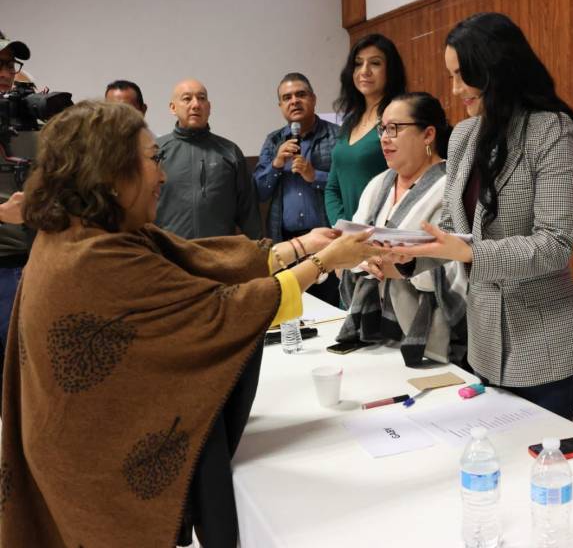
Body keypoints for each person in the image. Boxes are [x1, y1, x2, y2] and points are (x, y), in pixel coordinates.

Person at [0, 100, 379, 547]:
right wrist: (323, 262)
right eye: (152, 160)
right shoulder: (90, 257)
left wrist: (295, 249)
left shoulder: (87, 228)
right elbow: (217, 311)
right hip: (91, 466)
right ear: (109, 169)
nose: (162, 176)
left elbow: (193, 260)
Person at [390, 13, 573, 420]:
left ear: (495, 68)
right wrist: (407, 255)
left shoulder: (550, 131)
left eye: (462, 75)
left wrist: (471, 253)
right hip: (484, 340)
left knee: (538, 463)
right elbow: (454, 230)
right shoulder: (466, 135)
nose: (454, 90)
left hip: (545, 344)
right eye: (450, 76)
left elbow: (556, 244)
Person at [337, 92, 467, 366]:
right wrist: (364, 260)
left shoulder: (450, 188)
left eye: (395, 128)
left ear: (428, 134)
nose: (384, 137)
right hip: (377, 332)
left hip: (431, 339)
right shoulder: (379, 184)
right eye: (382, 128)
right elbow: (347, 251)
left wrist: (394, 265)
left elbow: (452, 267)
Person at [254, 72, 341, 305]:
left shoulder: (337, 136)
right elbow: (259, 192)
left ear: (313, 99)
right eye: (287, 97)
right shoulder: (273, 142)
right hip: (287, 244)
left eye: (301, 95)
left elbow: (347, 186)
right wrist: (276, 164)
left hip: (327, 240)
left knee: (332, 307)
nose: (294, 101)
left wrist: (315, 176)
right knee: (295, 310)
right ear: (281, 105)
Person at [156, 78, 263, 239]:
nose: (196, 104)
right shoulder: (156, 152)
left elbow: (248, 212)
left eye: (201, 98)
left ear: (209, 107)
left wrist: (258, 252)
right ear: (173, 107)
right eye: (187, 99)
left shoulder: (230, 152)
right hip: (170, 254)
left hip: (220, 254)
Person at [324, 33, 406, 225]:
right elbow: (332, 188)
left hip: (383, 232)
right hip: (347, 236)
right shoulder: (349, 122)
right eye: (358, 64)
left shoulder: (400, 118)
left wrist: (367, 229)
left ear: (390, 71)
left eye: (375, 63)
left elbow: (407, 182)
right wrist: (343, 225)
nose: (365, 71)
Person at [0, 36, 32, 381]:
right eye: (0, 63)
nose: (6, 72)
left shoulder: (23, 124)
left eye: (10, 64)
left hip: (31, 265)